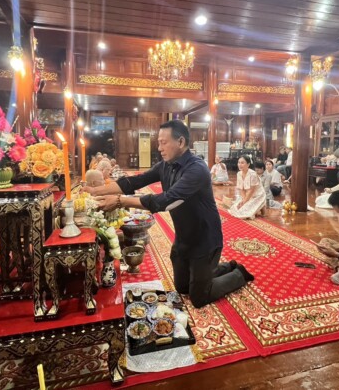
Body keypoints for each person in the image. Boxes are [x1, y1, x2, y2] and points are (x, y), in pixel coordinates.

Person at [84, 120, 253, 308]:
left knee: (199, 298)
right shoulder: (165, 165)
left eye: (163, 143)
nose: (159, 148)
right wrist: (96, 191)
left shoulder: (197, 169)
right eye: (158, 143)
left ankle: (238, 273)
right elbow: (135, 181)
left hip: (205, 240)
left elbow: (166, 200)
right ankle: (223, 267)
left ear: (180, 142)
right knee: (182, 288)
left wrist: (119, 201)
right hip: (184, 237)